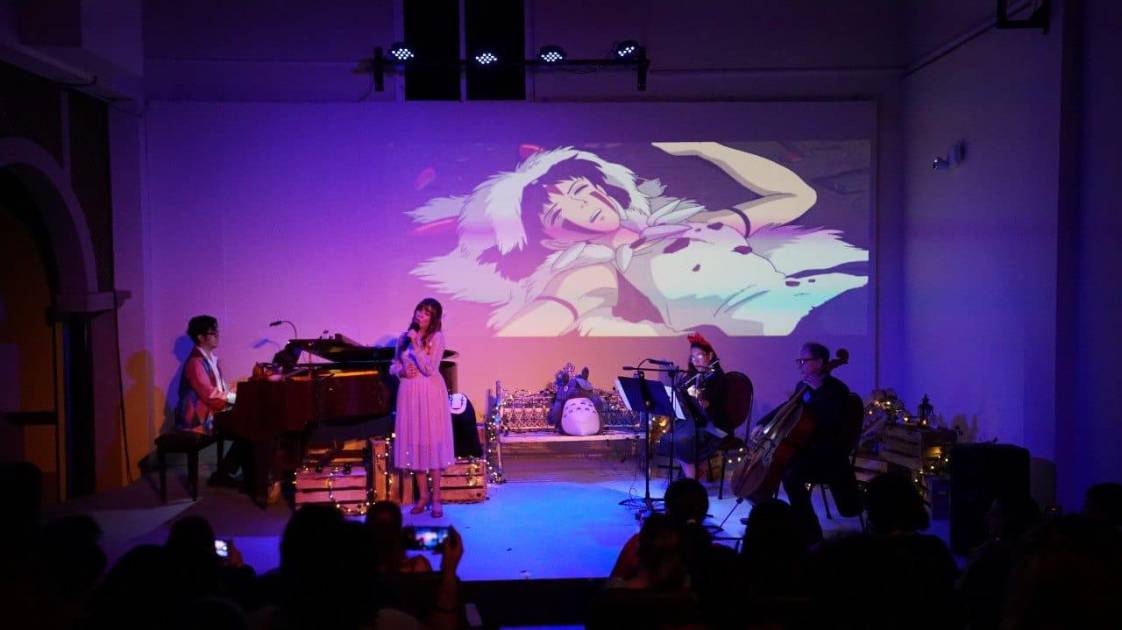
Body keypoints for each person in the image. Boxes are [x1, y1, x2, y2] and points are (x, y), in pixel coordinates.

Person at [408, 142, 868, 337]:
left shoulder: (692, 224)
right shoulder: (594, 271)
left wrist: (707, 148)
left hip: (835, 295)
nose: (583, 206)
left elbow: (797, 196)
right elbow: (536, 321)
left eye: (579, 189)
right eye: (558, 212)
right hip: (787, 323)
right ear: (547, 240)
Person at [756, 341, 860, 545]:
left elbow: (832, 421)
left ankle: (809, 531)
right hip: (806, 450)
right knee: (778, 465)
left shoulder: (837, 389)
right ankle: (770, 516)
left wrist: (819, 391)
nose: (800, 365)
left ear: (820, 362)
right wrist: (762, 423)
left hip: (828, 455)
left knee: (790, 474)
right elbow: (787, 407)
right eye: (799, 361)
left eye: (804, 361)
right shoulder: (802, 386)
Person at [392, 298, 455, 518]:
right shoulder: (404, 337)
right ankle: (423, 496)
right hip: (409, 394)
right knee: (415, 443)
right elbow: (393, 364)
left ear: (433, 318)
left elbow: (430, 368)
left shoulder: (437, 338)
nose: (421, 314)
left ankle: (436, 497)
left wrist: (417, 345)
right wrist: (400, 371)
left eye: (427, 313)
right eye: (420, 310)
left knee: (432, 442)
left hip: (430, 394)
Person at [175, 315, 248, 488]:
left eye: (217, 332)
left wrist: (243, 389)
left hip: (213, 414)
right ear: (201, 337)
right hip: (198, 421)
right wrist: (237, 397)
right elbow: (209, 395)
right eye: (213, 332)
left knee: (251, 429)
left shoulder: (212, 360)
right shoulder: (195, 363)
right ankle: (226, 475)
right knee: (249, 431)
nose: (217, 335)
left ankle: (226, 473)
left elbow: (221, 390)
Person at [655, 333, 728, 479]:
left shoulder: (718, 377)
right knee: (672, 438)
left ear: (710, 355)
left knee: (680, 440)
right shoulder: (692, 377)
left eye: (699, 356)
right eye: (693, 358)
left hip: (715, 428)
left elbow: (710, 407)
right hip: (694, 425)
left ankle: (690, 481)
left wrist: (700, 399)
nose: (696, 361)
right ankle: (692, 476)